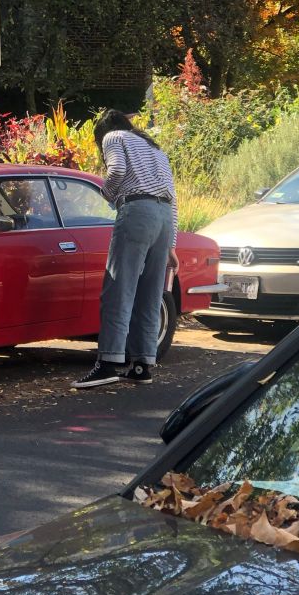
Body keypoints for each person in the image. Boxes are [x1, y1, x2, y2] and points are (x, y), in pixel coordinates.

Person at [72, 109, 178, 389]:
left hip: (137, 211)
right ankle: (142, 364)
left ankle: (108, 363)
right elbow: (173, 195)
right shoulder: (155, 148)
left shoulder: (113, 137)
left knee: (119, 288)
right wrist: (172, 244)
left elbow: (117, 170)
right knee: (150, 292)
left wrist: (106, 194)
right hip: (164, 217)